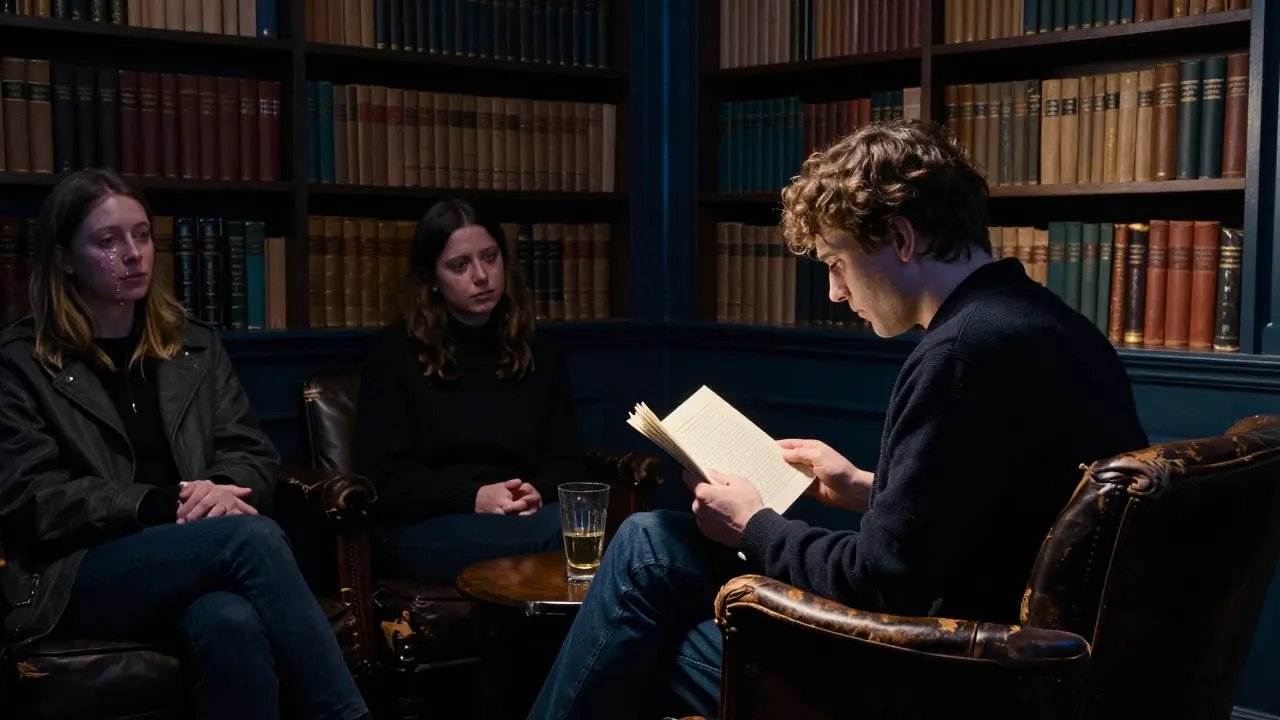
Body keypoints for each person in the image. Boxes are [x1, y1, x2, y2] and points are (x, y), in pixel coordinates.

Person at [528, 118, 1151, 720]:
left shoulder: (959, 355)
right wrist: (865, 488)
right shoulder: (1050, 325)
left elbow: (879, 586)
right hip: (1031, 660)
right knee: (650, 569)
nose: (835, 292)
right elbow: (1003, 514)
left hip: (947, 673)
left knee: (644, 562)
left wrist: (754, 525)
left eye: (836, 262)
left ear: (901, 240)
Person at [0, 169, 369, 720]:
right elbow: (32, 498)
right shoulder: (21, 360)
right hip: (76, 573)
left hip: (193, 553)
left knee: (231, 622)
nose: (133, 254)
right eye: (108, 241)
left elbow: (251, 452)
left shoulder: (193, 346)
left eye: (142, 235)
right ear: (65, 259)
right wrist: (153, 503)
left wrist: (220, 490)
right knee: (251, 538)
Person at [356, 199, 587, 585]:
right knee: (562, 537)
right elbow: (386, 478)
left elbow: (566, 460)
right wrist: (474, 497)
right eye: (460, 266)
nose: (481, 276)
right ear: (431, 277)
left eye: (490, 257)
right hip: (426, 527)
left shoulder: (538, 347)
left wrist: (534, 491)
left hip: (524, 516)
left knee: (581, 530)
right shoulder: (394, 351)